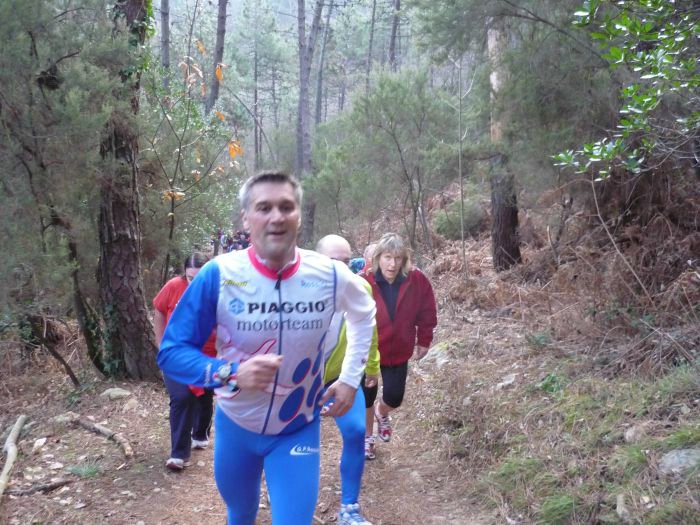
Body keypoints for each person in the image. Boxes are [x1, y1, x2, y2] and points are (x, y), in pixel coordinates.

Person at [157, 171, 376, 525]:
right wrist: (229, 373)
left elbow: (364, 313)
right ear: (246, 218)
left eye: (286, 207)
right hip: (236, 427)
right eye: (264, 207)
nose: (276, 216)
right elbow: (172, 352)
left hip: (297, 428)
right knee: (241, 514)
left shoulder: (329, 274)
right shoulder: (219, 274)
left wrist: (351, 379)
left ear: (299, 216)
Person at [316, 235, 379, 525]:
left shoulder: (359, 287)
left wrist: (372, 367)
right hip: (300, 382)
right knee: (295, 443)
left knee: (356, 431)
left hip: (340, 377)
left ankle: (349, 507)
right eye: (333, 262)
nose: (341, 269)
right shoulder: (296, 290)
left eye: (347, 262)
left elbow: (370, 330)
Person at [361, 233, 437, 458]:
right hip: (368, 351)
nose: (392, 264)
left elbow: (427, 310)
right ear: (377, 258)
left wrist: (424, 339)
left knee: (394, 397)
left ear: (404, 259)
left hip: (399, 349)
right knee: (366, 396)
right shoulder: (364, 280)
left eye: (397, 258)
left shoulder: (416, 279)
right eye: (387, 257)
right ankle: (367, 438)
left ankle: (382, 412)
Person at [153, 252, 216, 471]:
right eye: (190, 277)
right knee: (181, 397)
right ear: (184, 274)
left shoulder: (219, 289)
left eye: (200, 278)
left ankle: (200, 432)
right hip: (176, 353)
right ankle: (178, 454)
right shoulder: (173, 287)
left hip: (208, 355)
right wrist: (161, 344)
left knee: (204, 396)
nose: (194, 282)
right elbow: (159, 311)